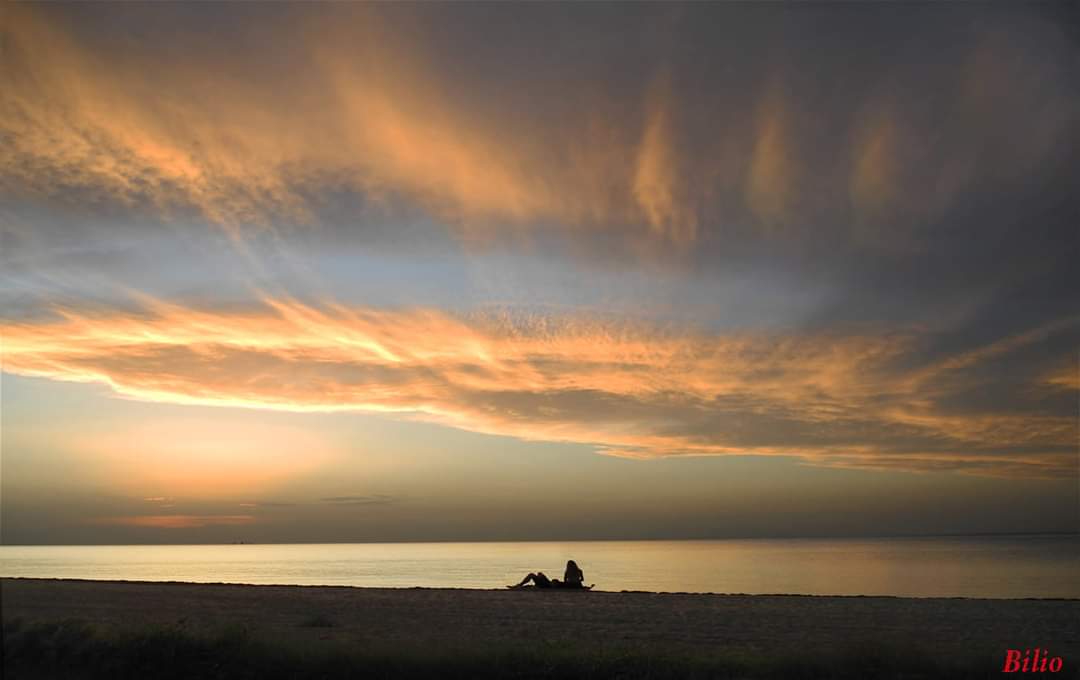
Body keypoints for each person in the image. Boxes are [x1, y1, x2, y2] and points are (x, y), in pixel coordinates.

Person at [508, 560, 590, 590]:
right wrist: (576, 581)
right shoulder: (579, 571)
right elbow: (582, 580)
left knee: (533, 574)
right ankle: (520, 585)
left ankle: (520, 585)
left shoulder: (570, 572)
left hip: (549, 585)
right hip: (574, 585)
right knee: (536, 574)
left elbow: (565, 581)